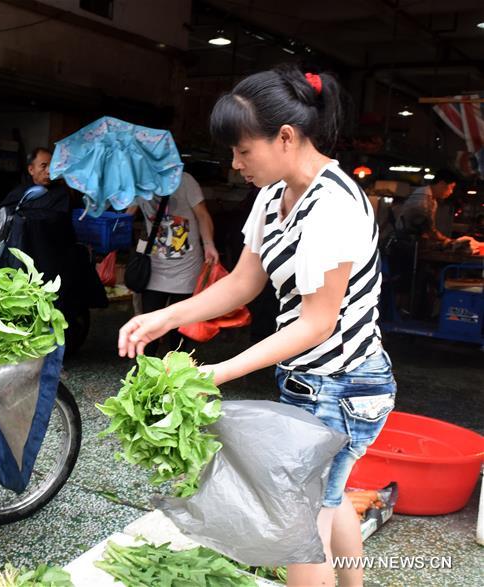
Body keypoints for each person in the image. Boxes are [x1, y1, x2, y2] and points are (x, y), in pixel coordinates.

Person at [118, 65, 395, 587]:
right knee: (329, 503)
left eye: (243, 150)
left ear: (286, 137)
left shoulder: (332, 204)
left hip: (345, 386)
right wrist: (164, 316)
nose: (235, 163)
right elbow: (245, 282)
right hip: (313, 379)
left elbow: (316, 324)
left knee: (300, 529)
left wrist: (217, 372)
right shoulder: (273, 194)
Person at [1, 147, 107, 354]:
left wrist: (26, 218)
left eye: (53, 166)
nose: (49, 171)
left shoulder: (61, 194)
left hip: (54, 261)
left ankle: (56, 355)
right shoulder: (19, 193)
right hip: (23, 260)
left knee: (56, 309)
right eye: (43, 166)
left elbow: (54, 220)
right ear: (31, 169)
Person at [126, 171, 219, 355]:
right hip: (153, 268)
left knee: (180, 326)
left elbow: (202, 215)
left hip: (186, 267)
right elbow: (129, 214)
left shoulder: (185, 180)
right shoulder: (139, 182)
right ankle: (145, 371)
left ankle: (174, 370)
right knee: (149, 323)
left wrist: (209, 244)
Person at [397, 168, 457, 244]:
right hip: (406, 243)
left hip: (412, 242)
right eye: (451, 187)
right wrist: (446, 240)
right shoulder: (423, 198)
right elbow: (426, 228)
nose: (451, 192)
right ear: (442, 183)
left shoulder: (431, 198)